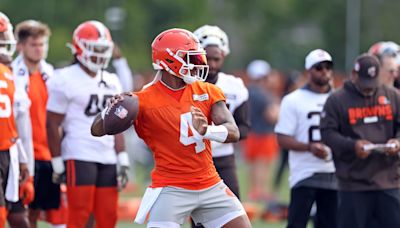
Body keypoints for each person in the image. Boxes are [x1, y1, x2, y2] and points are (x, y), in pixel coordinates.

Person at [91, 28, 251, 228]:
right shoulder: (142, 100)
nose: (198, 64)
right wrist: (110, 110)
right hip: (171, 188)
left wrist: (207, 131)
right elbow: (97, 129)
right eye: (190, 58)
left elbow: (234, 131)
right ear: (170, 61)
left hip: (210, 183)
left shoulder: (208, 90)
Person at [46, 20, 130, 228]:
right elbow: (51, 123)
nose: (100, 55)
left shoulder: (112, 80)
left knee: (108, 216)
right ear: (79, 48)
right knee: (80, 215)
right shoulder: (64, 78)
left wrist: (122, 156)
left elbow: (116, 122)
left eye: (103, 50)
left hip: (107, 155)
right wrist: (57, 160)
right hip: (78, 152)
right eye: (95, 49)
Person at [320, 54, 400, 228]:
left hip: (388, 180)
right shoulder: (337, 100)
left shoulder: (392, 96)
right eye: (365, 84)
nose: (369, 89)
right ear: (354, 75)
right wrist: (352, 145)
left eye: (372, 83)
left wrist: (397, 142)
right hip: (353, 183)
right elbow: (327, 133)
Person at [11, 19, 68, 228]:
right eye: (33, 44)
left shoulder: (51, 75)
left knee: (46, 211)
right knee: (23, 213)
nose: (38, 49)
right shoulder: (11, 75)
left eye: (42, 44)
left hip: (48, 153)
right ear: (21, 46)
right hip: (23, 154)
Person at [274, 49, 337, 228]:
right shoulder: (293, 100)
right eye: (319, 67)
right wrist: (309, 147)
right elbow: (282, 138)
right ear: (309, 71)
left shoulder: (339, 98)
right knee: (297, 223)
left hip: (333, 173)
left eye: (328, 67)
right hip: (305, 173)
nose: (324, 71)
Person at [193, 25, 250, 199]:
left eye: (216, 59)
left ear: (223, 56)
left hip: (223, 158)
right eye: (207, 58)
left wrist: (217, 135)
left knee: (234, 211)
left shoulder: (234, 85)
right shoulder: (187, 84)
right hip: (195, 159)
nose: (211, 64)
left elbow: (244, 128)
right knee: (200, 217)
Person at [0, 11, 30, 228]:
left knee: (19, 217)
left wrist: (22, 158)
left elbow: (14, 122)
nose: (4, 43)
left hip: (8, 150)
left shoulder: (10, 72)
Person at [244, 59, 280, 201]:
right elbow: (273, 115)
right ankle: (260, 192)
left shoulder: (249, 91)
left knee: (254, 165)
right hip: (263, 133)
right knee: (262, 164)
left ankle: (255, 191)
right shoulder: (262, 94)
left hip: (251, 132)